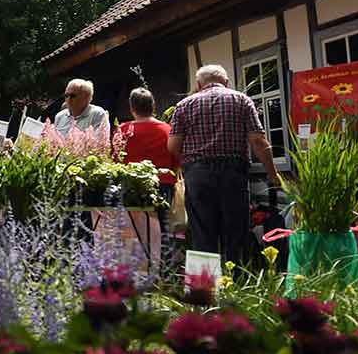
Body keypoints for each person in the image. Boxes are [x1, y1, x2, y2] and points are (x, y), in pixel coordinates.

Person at [167, 65, 278, 266]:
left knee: (202, 234)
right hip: (233, 173)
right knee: (236, 232)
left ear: (199, 84)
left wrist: (193, 162)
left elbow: (173, 146)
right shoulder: (241, 100)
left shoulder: (183, 105)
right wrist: (273, 174)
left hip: (198, 175)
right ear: (226, 82)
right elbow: (258, 142)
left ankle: (204, 290)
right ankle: (237, 285)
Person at [118, 88, 179, 274]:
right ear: (153, 106)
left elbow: (116, 159)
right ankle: (164, 272)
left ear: (131, 107)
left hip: (131, 185)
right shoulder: (167, 130)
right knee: (162, 227)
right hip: (163, 183)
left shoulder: (123, 130)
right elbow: (176, 159)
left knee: (132, 229)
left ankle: (136, 270)